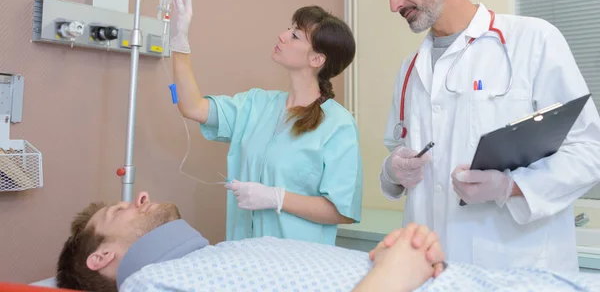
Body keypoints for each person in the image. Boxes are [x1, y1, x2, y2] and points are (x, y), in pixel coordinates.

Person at [374, 0, 600, 271]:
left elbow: (589, 151)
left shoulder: (532, 40)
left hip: (515, 269)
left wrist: (510, 187)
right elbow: (397, 150)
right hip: (431, 269)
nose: (393, 4)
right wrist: (393, 169)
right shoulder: (410, 69)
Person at [53, 192, 600, 292]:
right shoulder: (154, 281)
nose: (139, 196)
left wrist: (388, 259)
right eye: (118, 209)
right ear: (104, 258)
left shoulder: (219, 256)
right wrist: (394, 273)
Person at [169, 0, 363, 245]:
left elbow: (342, 210)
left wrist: (277, 198)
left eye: (295, 35)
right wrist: (180, 42)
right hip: (244, 257)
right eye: (289, 29)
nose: (283, 35)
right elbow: (192, 106)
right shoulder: (256, 105)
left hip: (297, 266)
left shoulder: (338, 124)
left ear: (317, 59)